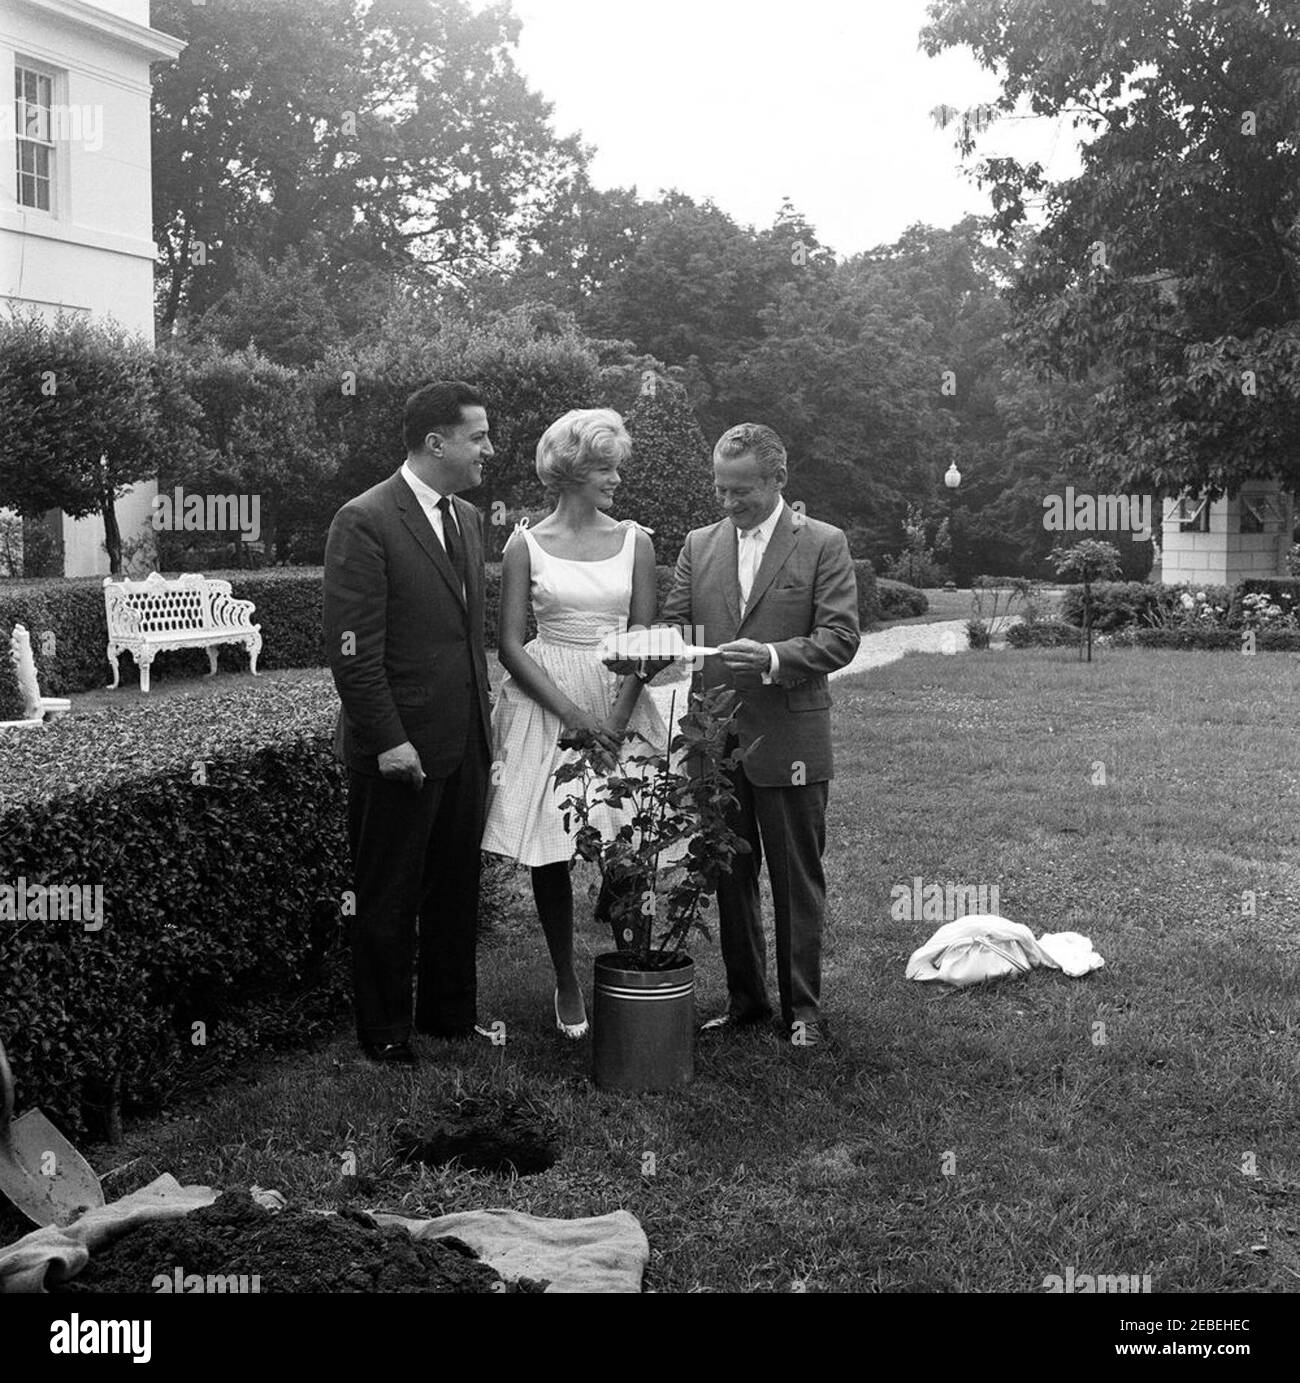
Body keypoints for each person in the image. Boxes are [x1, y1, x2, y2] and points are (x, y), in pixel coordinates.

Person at [659, 422, 860, 1047]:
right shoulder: (699, 543)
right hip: (715, 746)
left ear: (779, 481)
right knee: (728, 874)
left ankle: (803, 1011)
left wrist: (773, 658)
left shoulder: (824, 543)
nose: (728, 503)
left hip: (791, 744)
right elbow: (676, 630)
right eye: (720, 489)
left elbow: (841, 639)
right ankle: (746, 1002)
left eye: (741, 491)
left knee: (796, 879)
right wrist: (636, 649)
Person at [481, 408, 675, 1039]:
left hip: (621, 695)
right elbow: (511, 644)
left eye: (617, 465)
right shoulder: (525, 543)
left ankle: (629, 970)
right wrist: (572, 715)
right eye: (603, 467)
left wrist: (614, 719)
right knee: (550, 847)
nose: (616, 478)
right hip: (549, 700)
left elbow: (645, 639)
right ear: (567, 473)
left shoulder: (636, 541)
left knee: (627, 838)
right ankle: (565, 975)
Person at [323, 380, 496, 1065]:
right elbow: (351, 651)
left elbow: (464, 636)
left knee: (456, 886)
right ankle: (386, 1031)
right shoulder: (364, 519)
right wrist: (390, 738)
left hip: (464, 742)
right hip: (397, 748)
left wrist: (486, 730)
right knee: (388, 894)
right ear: (437, 442)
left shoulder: (471, 520)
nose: (489, 448)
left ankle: (449, 1015)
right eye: (478, 436)